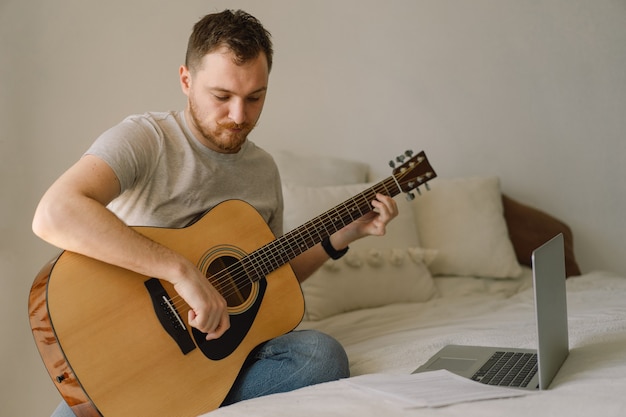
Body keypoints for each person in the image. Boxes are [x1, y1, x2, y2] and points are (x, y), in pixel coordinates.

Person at [32, 9, 398, 417]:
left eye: (255, 98)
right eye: (222, 97)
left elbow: (270, 280)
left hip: (214, 360)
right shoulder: (145, 138)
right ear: (186, 80)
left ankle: (182, 402)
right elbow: (54, 212)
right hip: (128, 352)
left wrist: (338, 238)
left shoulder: (263, 170)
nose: (239, 116)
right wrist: (183, 273)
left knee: (320, 356)